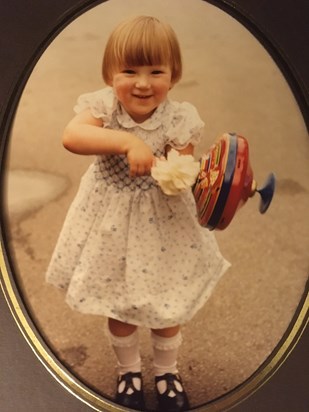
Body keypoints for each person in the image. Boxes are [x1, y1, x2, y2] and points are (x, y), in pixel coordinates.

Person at [46, 15, 230, 412]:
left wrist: (213, 186)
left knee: (167, 306)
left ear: (173, 74)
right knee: (120, 304)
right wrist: (127, 141)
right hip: (110, 223)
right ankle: (128, 371)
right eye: (129, 70)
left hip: (163, 226)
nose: (143, 82)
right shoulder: (104, 108)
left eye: (155, 71)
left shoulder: (179, 119)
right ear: (110, 75)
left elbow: (184, 171)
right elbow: (72, 136)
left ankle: (167, 372)